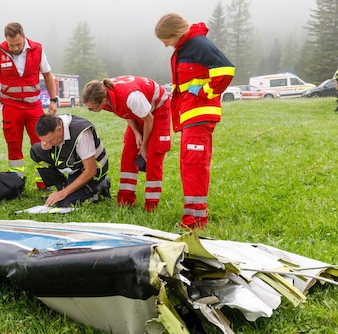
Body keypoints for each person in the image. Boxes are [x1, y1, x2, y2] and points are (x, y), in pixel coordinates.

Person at [155, 13, 235, 229]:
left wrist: (205, 91)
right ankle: (194, 217)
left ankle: (195, 222)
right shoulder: (185, 47)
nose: (165, 45)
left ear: (177, 33)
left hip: (200, 114)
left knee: (194, 166)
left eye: (166, 41)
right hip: (190, 115)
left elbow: (226, 70)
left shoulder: (198, 44)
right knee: (188, 165)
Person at [82, 75, 171, 212]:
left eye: (92, 109)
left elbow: (149, 119)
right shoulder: (105, 94)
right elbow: (124, 112)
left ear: (103, 101)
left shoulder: (130, 97)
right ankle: (125, 200)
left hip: (157, 110)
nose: (91, 111)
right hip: (140, 111)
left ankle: (151, 205)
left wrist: (144, 145)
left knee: (152, 156)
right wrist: (136, 132)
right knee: (129, 153)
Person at [0, 22, 58, 189]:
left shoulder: (37, 49)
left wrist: (53, 99)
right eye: (11, 45)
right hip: (11, 106)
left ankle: (44, 182)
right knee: (13, 142)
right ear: (6, 40)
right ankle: (16, 183)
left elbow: (47, 75)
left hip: (34, 106)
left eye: (18, 44)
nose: (15, 48)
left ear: (24, 37)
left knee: (42, 142)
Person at [30, 113, 110, 207]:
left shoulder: (81, 134)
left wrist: (64, 193)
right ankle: (61, 187)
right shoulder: (55, 125)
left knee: (66, 203)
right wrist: (46, 146)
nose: (49, 144)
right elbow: (55, 147)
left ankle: (100, 186)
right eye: (45, 141)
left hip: (91, 171)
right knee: (36, 150)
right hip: (74, 166)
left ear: (59, 129)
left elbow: (91, 171)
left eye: (51, 140)